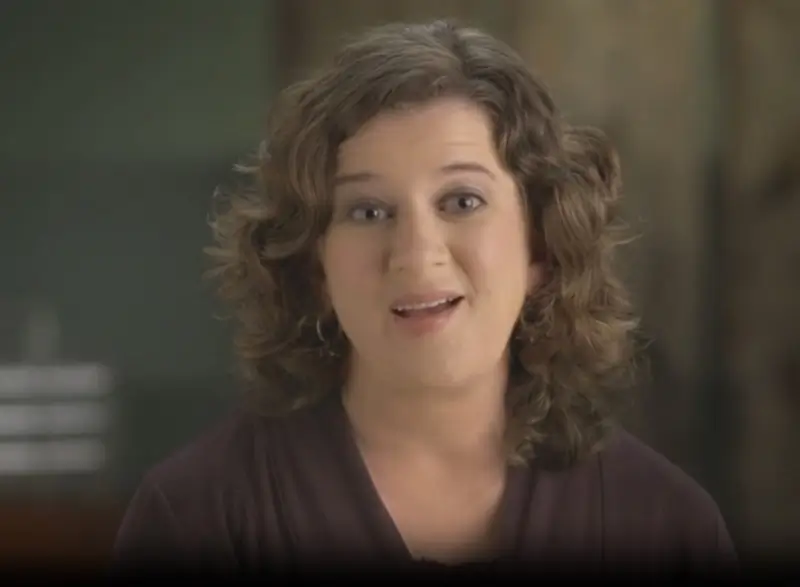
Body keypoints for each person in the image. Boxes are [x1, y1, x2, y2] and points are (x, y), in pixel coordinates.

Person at [112, 19, 737, 574]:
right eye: (368, 210)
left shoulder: (666, 526)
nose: (416, 253)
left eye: (462, 201)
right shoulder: (198, 521)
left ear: (542, 247)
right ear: (314, 265)